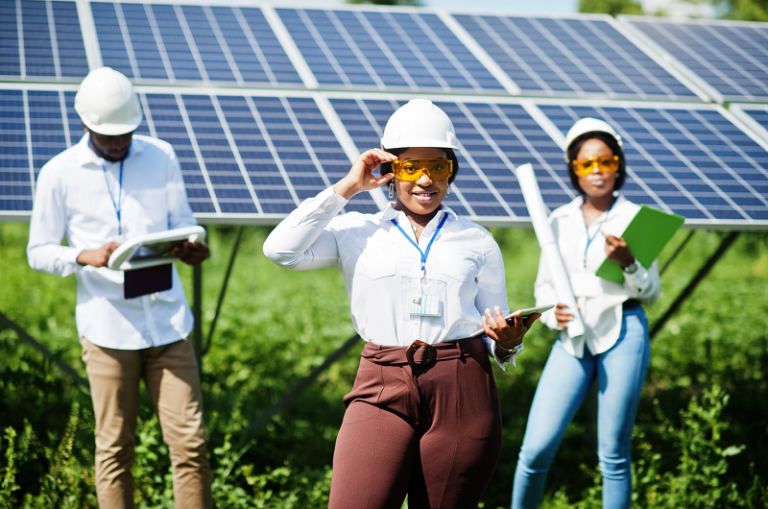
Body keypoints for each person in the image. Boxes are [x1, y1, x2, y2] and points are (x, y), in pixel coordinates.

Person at [263, 99, 540, 509]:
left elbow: (493, 330)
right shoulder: (356, 230)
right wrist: (349, 186)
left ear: (452, 172)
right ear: (391, 171)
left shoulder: (477, 240)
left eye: (439, 167)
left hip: (463, 385)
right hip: (381, 381)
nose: (426, 179)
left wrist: (508, 341)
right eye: (411, 167)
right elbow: (280, 251)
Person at [27, 67, 212, 509]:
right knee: (114, 449)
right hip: (107, 328)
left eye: (126, 133)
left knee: (191, 446)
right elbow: (38, 250)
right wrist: (81, 255)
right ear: (84, 123)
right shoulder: (59, 173)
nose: (118, 142)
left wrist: (191, 247)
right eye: (108, 134)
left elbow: (182, 223)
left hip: (169, 322)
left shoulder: (161, 155)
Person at [510, 118, 661, 509]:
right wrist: (548, 316)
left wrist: (629, 263)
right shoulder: (557, 220)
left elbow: (651, 293)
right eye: (586, 164)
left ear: (618, 164)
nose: (597, 172)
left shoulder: (638, 218)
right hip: (572, 339)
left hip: (623, 331)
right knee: (534, 452)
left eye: (606, 162)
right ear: (573, 169)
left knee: (613, 455)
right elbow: (544, 287)